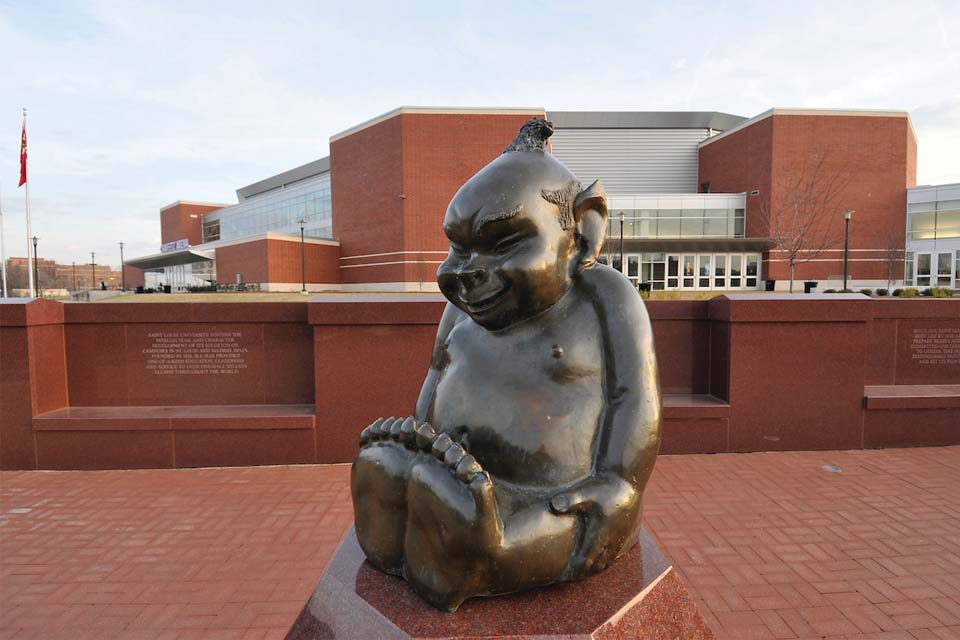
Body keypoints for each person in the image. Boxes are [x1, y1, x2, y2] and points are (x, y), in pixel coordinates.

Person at [351, 119, 662, 611]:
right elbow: (438, 372)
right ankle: (413, 507)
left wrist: (620, 481)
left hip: (556, 497)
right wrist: (423, 445)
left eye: (505, 243)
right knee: (400, 472)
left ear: (583, 231)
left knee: (526, 534)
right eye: (458, 247)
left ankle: (469, 547)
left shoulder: (605, 298)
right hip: (461, 473)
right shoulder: (459, 309)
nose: (466, 271)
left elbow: (634, 397)